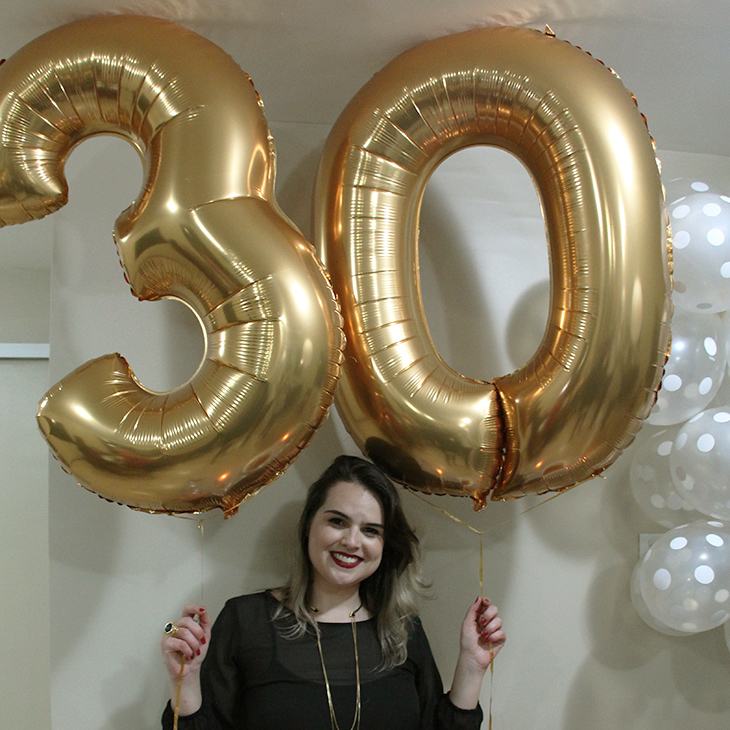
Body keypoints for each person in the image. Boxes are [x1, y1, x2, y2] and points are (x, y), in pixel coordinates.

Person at [160, 455, 505, 729]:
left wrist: (472, 666)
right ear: (309, 524)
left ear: (385, 546)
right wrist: (186, 681)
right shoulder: (245, 620)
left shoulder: (403, 630)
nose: (352, 542)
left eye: (370, 530)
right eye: (337, 521)